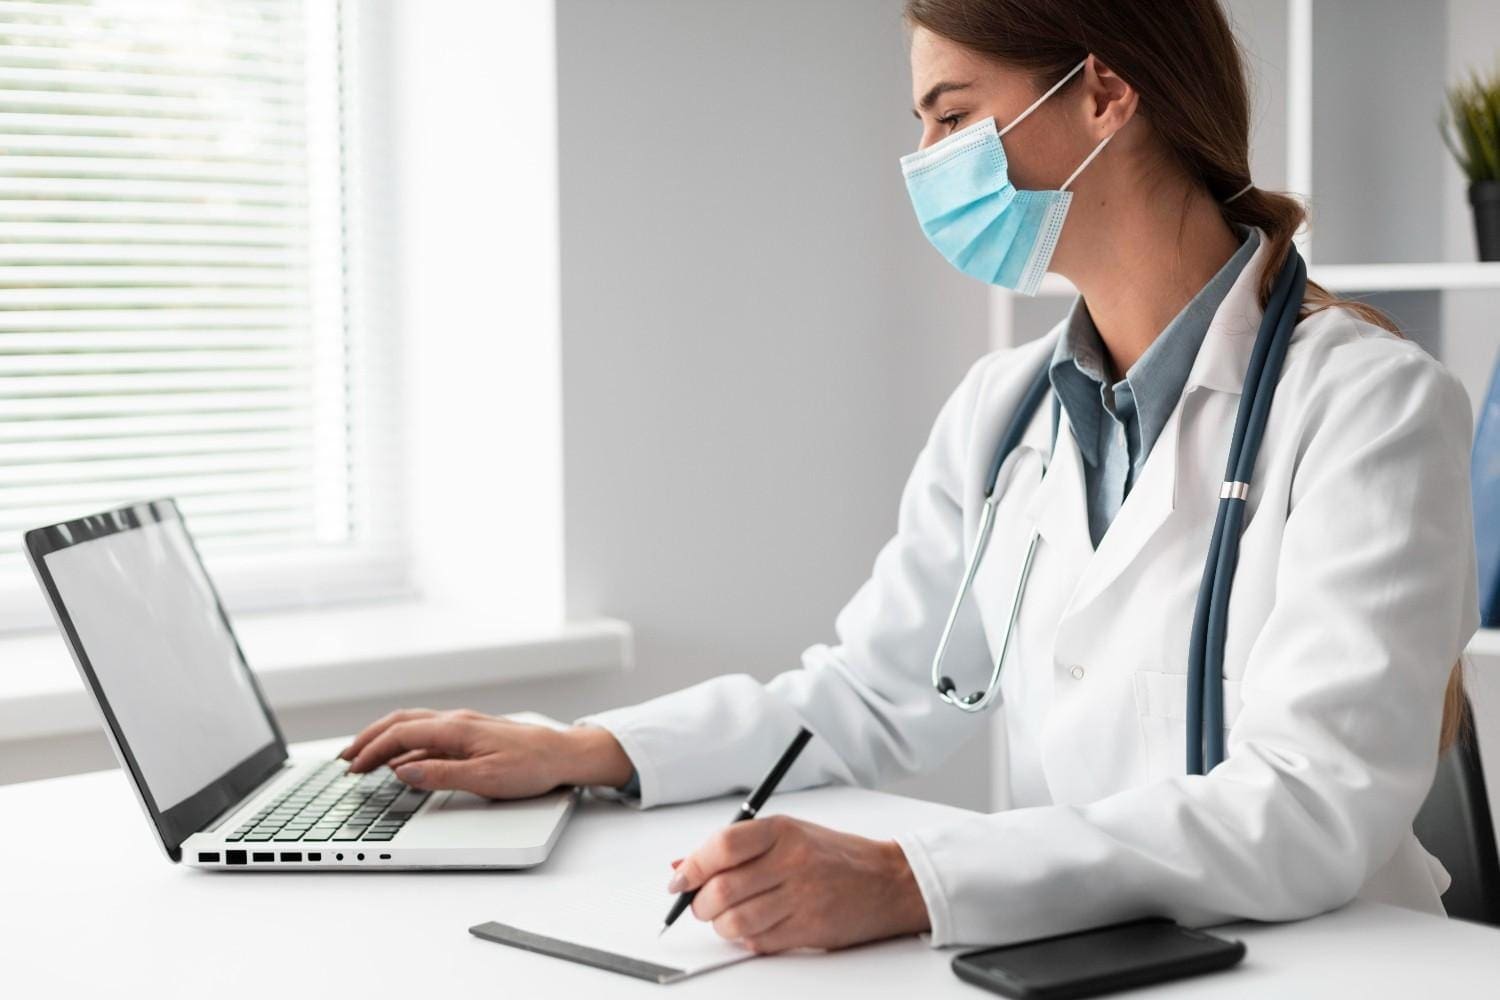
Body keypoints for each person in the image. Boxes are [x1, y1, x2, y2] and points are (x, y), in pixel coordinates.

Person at [339, 0, 1477, 953]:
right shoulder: (1003, 412)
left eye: (953, 117)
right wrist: (592, 749)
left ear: (1103, 95)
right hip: (1082, 959)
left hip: (1334, 962)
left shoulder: (1370, 406)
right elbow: (871, 696)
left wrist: (913, 877)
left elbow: (1313, 801)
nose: (930, 166)